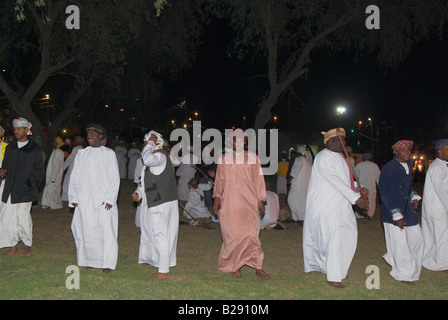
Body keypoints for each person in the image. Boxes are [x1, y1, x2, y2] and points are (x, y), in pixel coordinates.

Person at [303, 128, 369, 288]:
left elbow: (344, 180)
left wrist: (358, 187)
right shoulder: (323, 157)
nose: (345, 143)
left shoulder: (341, 157)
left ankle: (338, 270)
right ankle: (333, 276)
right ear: (331, 141)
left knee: (348, 235)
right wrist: (356, 198)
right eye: (342, 140)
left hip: (341, 205)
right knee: (334, 239)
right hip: (326, 206)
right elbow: (334, 180)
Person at [213, 129, 269, 279]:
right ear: (231, 142)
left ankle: (258, 265)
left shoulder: (252, 158)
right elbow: (219, 180)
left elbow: (259, 180)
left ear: (245, 142)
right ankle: (236, 266)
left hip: (249, 202)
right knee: (233, 235)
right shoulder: (224, 159)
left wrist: (260, 199)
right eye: (235, 140)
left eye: (241, 140)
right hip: (230, 201)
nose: (238, 142)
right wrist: (217, 198)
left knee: (252, 234)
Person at [69, 124, 120, 274]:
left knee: (106, 231)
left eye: (93, 134)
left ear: (101, 137)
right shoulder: (82, 154)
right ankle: (88, 260)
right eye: (88, 134)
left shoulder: (109, 154)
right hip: (85, 199)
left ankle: (107, 262)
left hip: (103, 200)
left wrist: (110, 199)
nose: (89, 136)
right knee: (86, 229)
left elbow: (114, 178)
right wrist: (74, 197)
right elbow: (75, 177)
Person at [132, 130, 179, 279]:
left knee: (160, 233)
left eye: (147, 142)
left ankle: (163, 270)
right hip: (153, 199)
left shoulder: (159, 156)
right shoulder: (154, 157)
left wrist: (151, 142)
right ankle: (153, 258)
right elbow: (146, 180)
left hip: (161, 201)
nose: (145, 145)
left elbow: (147, 160)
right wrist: (138, 192)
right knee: (149, 230)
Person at [378, 140, 423, 284]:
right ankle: (403, 274)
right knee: (400, 244)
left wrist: (413, 196)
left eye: (408, 150)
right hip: (393, 211)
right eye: (403, 150)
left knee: (417, 240)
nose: (407, 152)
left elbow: (408, 187)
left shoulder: (409, 165)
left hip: (408, 210)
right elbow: (386, 192)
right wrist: (395, 214)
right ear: (396, 152)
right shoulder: (389, 168)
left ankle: (396, 260)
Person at [0, 118, 44, 256]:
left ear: (26, 130)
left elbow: (39, 170)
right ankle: (13, 246)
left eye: (19, 129)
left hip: (25, 189)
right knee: (9, 217)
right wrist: (2, 171)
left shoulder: (33, 148)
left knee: (23, 216)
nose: (16, 132)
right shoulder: (10, 147)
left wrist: (31, 183)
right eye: (14, 129)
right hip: (10, 187)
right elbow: (5, 165)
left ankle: (27, 244)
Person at [421, 139, 448, 272]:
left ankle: (429, 260)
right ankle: (441, 264)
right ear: (439, 151)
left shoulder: (442, 165)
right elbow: (439, 189)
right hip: (437, 207)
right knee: (441, 235)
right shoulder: (437, 166)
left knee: (433, 235)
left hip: (436, 206)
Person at [287, 148, 312, 225]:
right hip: (306, 184)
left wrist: (290, 178)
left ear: (301, 153)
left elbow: (295, 169)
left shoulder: (300, 159)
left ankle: (301, 218)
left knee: (291, 199)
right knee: (301, 201)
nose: (297, 154)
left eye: (298, 153)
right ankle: (298, 218)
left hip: (298, 183)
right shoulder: (308, 162)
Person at [41, 137, 65, 210]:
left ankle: (55, 205)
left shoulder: (59, 152)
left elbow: (57, 166)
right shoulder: (54, 151)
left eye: (54, 142)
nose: (52, 143)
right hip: (50, 175)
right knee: (48, 189)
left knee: (53, 191)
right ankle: (47, 204)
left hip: (55, 176)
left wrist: (53, 178)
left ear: (57, 143)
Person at [354, 153, 381, 218]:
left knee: (361, 200)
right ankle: (370, 214)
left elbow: (354, 176)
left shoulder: (358, 165)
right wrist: (380, 186)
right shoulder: (374, 165)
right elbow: (379, 177)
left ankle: (360, 215)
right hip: (371, 186)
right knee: (371, 201)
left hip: (361, 187)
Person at [61, 136, 84, 202]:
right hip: (79, 169)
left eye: (75, 141)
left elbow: (70, 159)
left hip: (73, 168)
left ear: (77, 142)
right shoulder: (82, 149)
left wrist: (63, 168)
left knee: (67, 182)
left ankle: (66, 198)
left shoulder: (76, 149)